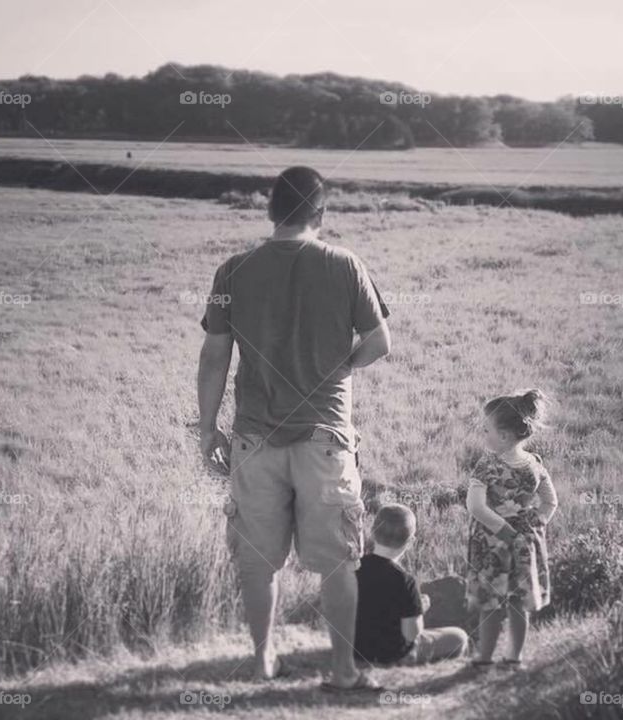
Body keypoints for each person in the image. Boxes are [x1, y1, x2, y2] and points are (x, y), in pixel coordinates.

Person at [197, 166, 391, 691]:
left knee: (258, 562)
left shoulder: (232, 272)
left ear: (270, 212)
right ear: (320, 214)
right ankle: (344, 671)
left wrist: (207, 429)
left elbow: (214, 355)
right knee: (337, 563)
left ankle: (262, 662)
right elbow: (380, 342)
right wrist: (340, 367)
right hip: (326, 438)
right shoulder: (346, 265)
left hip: (253, 439)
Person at [464, 389, 558, 668]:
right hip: (524, 542)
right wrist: (535, 524)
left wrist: (502, 528)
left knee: (490, 603)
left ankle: (484, 658)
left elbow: (476, 507)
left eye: (487, 430)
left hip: (493, 542)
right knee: (518, 601)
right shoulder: (534, 464)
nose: (483, 435)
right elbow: (550, 502)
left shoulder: (487, 465)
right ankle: (513, 658)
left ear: (503, 435)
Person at [354, 504, 469, 669]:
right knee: (459, 637)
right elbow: (412, 634)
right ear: (411, 542)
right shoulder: (405, 580)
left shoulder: (354, 568)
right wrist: (419, 608)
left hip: (355, 649)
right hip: (390, 655)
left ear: (372, 532)